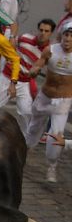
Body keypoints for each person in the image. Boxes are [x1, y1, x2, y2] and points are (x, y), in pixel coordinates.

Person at [25, 23, 72, 182]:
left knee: (55, 136)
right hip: (44, 96)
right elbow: (39, 63)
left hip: (62, 102)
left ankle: (52, 166)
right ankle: (24, 153)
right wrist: (34, 69)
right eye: (66, 34)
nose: (68, 38)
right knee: (33, 128)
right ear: (61, 35)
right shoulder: (51, 50)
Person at [0, 19, 53, 143]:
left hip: (25, 83)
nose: (43, 33)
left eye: (47, 31)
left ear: (51, 33)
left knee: (26, 112)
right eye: (41, 30)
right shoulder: (25, 38)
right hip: (8, 76)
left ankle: (24, 141)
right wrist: (12, 37)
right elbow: (11, 46)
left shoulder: (49, 51)